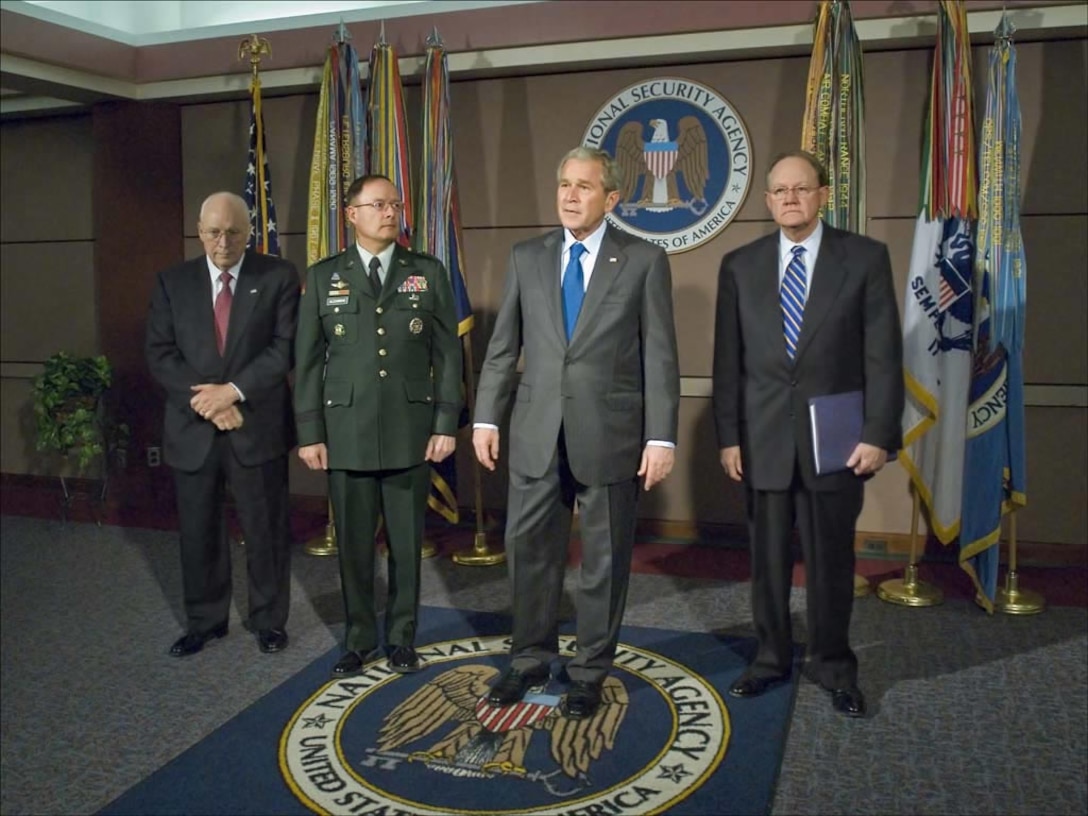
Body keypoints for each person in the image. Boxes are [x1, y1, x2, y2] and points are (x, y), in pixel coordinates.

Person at [473, 146, 680, 720]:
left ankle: (589, 671)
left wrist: (661, 437)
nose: (569, 195)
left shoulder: (642, 260)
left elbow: (660, 356)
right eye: (564, 183)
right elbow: (502, 350)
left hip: (610, 434)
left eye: (584, 187)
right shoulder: (527, 256)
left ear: (611, 199)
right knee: (529, 556)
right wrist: (486, 417)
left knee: (603, 563)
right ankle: (528, 661)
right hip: (536, 432)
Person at [712, 150, 904, 717]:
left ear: (822, 194)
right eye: (778, 191)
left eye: (800, 188)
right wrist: (728, 437)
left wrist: (879, 433)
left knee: (831, 562)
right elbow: (729, 362)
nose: (789, 198)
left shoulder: (865, 258)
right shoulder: (739, 265)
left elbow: (884, 357)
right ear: (768, 201)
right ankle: (770, 659)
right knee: (766, 561)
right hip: (762, 441)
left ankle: (834, 665)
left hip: (838, 443)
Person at [294, 174, 462, 677]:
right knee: (353, 544)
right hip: (345, 431)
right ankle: (359, 637)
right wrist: (309, 432)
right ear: (351, 215)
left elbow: (447, 356)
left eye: (395, 203)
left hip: (411, 429)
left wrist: (446, 422)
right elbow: (306, 360)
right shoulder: (325, 276)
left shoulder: (426, 272)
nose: (390, 212)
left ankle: (402, 636)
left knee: (408, 543)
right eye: (378, 204)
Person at [146, 191, 299, 658]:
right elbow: (160, 353)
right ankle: (205, 622)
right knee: (198, 530)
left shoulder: (277, 276)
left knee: (265, 528)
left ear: (249, 232)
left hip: (256, 424)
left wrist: (232, 392)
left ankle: (269, 620)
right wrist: (210, 401)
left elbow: (283, 348)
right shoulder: (173, 282)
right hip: (194, 430)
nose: (223, 242)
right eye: (214, 232)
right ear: (199, 232)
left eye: (233, 232)